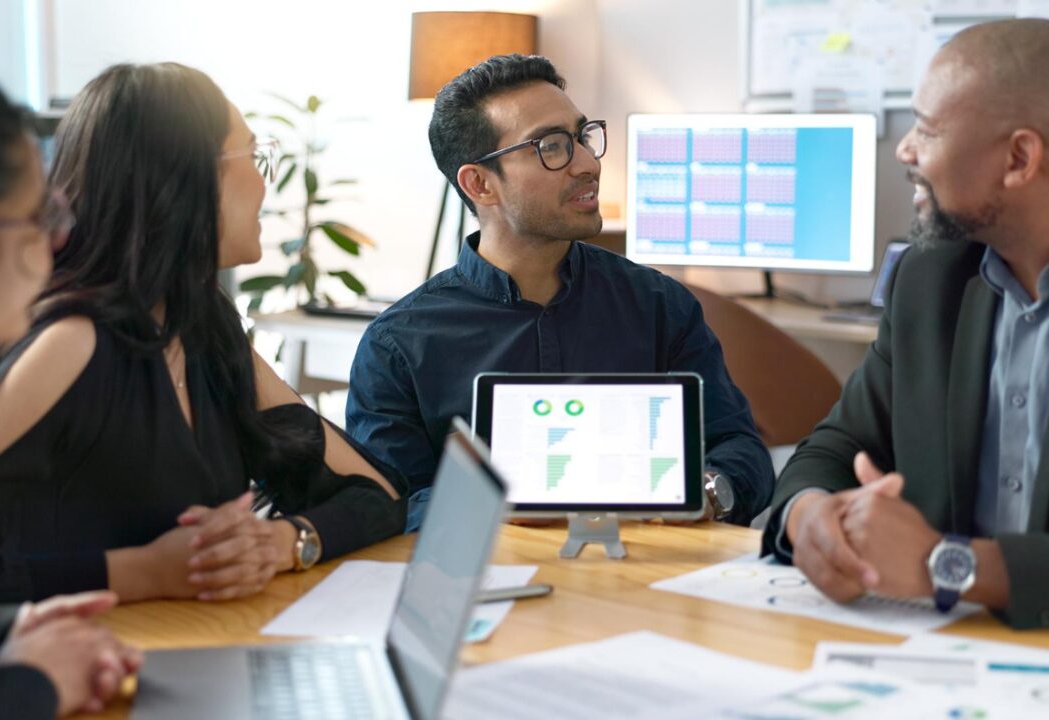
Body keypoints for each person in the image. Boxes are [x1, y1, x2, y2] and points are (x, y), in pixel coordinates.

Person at [0, 62, 407, 605]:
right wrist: (142, 573)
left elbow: (379, 495)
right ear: (185, 179)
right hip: (81, 674)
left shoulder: (205, 325)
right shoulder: (72, 343)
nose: (264, 180)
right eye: (252, 155)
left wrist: (280, 543)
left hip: (192, 652)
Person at [347, 54, 773, 530]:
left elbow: (741, 449)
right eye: (551, 146)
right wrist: (501, 507)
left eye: (582, 137)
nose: (589, 163)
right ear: (480, 184)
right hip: (490, 588)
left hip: (645, 580)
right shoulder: (398, 345)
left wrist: (708, 492)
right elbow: (388, 506)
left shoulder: (658, 304)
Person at [762, 18, 1049, 629]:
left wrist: (951, 565)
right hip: (939, 653)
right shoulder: (930, 278)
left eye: (927, 128)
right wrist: (810, 517)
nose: (905, 149)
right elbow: (838, 445)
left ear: (1020, 158)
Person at [0, 64, 140, 718]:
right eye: (37, 216)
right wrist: (35, 683)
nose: (57, 238)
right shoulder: (69, 339)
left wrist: (3, 630)